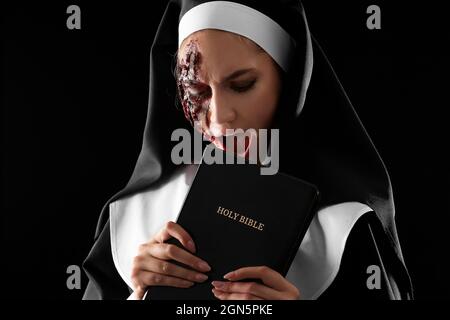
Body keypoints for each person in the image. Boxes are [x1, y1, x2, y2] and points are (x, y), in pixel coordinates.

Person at [82, 0, 413, 300]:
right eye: (195, 90)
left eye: (242, 85)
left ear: (289, 82)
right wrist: (137, 295)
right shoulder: (133, 215)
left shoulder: (345, 225)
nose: (219, 116)